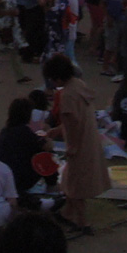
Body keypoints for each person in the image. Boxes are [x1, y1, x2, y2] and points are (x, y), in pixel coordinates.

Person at [45, 53, 107, 235]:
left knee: (75, 187)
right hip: (89, 139)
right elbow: (77, 119)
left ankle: (82, 222)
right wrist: (56, 131)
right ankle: (67, 213)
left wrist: (70, 147)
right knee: (69, 182)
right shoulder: (79, 85)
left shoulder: (67, 95)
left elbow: (72, 123)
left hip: (79, 144)